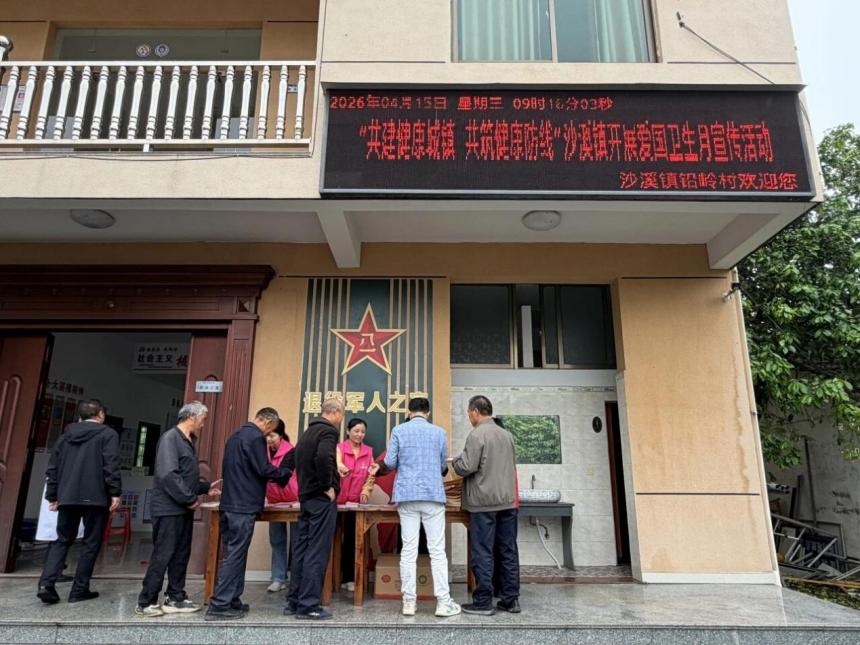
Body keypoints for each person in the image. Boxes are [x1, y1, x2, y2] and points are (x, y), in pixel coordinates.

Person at [204, 408, 291, 621]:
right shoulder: (255, 438)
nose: (269, 434)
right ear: (267, 422)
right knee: (235, 555)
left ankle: (233, 599)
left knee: (234, 553)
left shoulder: (235, 437)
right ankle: (220, 604)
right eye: (271, 428)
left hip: (229, 503)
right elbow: (263, 468)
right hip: (243, 506)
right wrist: (284, 473)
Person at [136, 401, 221, 617]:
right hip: (168, 509)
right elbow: (168, 475)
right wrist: (189, 499)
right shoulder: (171, 438)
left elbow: (184, 475)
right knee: (163, 554)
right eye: (202, 420)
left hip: (182, 509)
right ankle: (146, 601)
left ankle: (175, 596)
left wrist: (204, 488)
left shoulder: (188, 440)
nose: (203, 425)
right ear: (191, 416)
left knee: (181, 554)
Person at [37, 399, 121, 605]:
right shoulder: (108, 434)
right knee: (91, 542)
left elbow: (53, 467)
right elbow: (110, 464)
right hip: (96, 497)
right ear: (100, 415)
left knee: (62, 540)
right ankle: (79, 589)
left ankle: (46, 584)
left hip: (67, 496)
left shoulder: (66, 436)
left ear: (80, 417)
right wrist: (115, 492)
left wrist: (53, 495)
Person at [384, 397, 461, 618]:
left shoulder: (399, 430)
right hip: (432, 495)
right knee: (437, 551)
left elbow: (389, 463)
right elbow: (442, 465)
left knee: (408, 550)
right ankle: (443, 602)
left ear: (409, 411)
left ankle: (409, 603)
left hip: (407, 495)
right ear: (427, 412)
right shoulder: (439, 433)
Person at [452, 395, 520, 616]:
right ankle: (511, 599)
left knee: (482, 551)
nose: (469, 416)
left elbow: (466, 467)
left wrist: (457, 461)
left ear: (474, 411)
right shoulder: (507, 434)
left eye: (468, 413)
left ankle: (483, 602)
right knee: (508, 550)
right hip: (507, 501)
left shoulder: (477, 434)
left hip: (483, 503)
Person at [283, 398, 343, 620]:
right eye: (342, 414)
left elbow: (290, 458)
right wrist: (327, 485)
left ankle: (294, 601)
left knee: (302, 549)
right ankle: (308, 605)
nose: (341, 419)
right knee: (317, 551)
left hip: (306, 497)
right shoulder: (328, 431)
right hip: (320, 498)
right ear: (335, 412)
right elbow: (324, 456)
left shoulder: (308, 432)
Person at [335, 417, 375, 592]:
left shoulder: (368, 451)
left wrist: (366, 491)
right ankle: (331, 578)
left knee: (352, 540)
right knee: (333, 539)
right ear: (348, 431)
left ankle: (349, 578)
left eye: (362, 432)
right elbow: (335, 467)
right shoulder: (339, 448)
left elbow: (371, 476)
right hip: (337, 502)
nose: (359, 435)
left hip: (356, 503)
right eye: (356, 431)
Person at [264, 419, 298, 593]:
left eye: (272, 435)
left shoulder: (291, 451)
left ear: (281, 435)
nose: (269, 439)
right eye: (267, 435)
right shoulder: (263, 451)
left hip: (294, 501)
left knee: (297, 541)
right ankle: (278, 577)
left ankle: (297, 579)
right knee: (276, 539)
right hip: (273, 501)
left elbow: (283, 476)